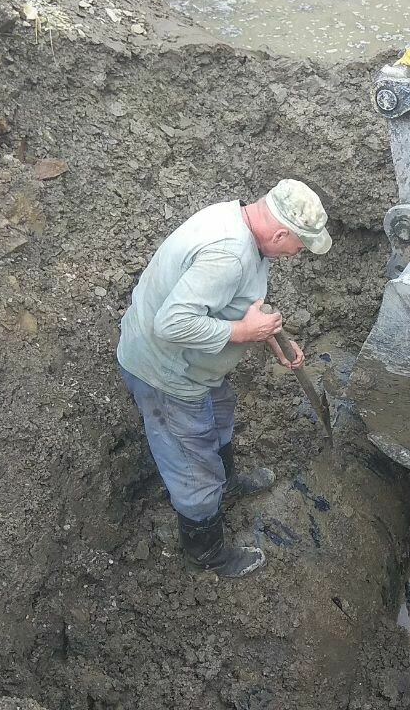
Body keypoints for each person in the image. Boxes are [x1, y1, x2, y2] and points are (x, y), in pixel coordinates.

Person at [117, 179, 331, 578]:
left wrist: (267, 334)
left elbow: (234, 300)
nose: (297, 254)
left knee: (218, 416)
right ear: (281, 232)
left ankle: (226, 483)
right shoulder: (229, 254)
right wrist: (244, 333)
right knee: (193, 465)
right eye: (299, 246)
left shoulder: (242, 221)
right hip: (166, 374)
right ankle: (207, 554)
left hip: (196, 367)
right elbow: (172, 323)